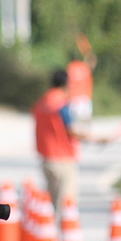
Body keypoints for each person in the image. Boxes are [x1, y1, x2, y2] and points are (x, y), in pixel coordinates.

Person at [32, 68, 78, 215]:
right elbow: (70, 129)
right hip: (62, 160)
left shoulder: (42, 102)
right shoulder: (60, 103)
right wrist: (95, 138)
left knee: (52, 205)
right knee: (65, 206)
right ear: (66, 84)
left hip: (46, 159)